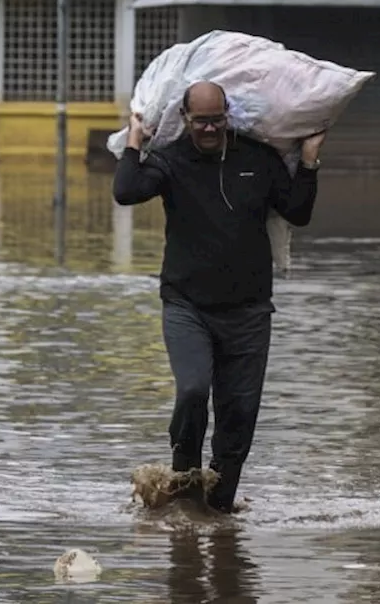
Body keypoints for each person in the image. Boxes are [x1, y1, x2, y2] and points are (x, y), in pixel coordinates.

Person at [113, 80, 325, 513]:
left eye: (217, 120)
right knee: (193, 390)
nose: (209, 129)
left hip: (249, 311)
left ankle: (219, 510)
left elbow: (298, 212)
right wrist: (135, 140)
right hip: (187, 306)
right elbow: (126, 190)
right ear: (185, 119)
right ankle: (185, 484)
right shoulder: (171, 161)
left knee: (239, 415)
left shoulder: (257, 160)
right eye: (201, 121)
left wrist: (308, 161)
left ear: (229, 117)